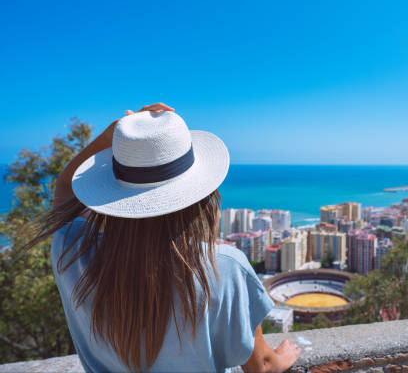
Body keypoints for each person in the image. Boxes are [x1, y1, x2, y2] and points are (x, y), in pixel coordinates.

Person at [29, 103, 301, 372]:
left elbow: (66, 189)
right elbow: (262, 366)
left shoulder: (72, 251)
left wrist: (111, 137)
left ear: (112, 195)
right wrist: (282, 358)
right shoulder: (224, 266)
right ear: (202, 197)